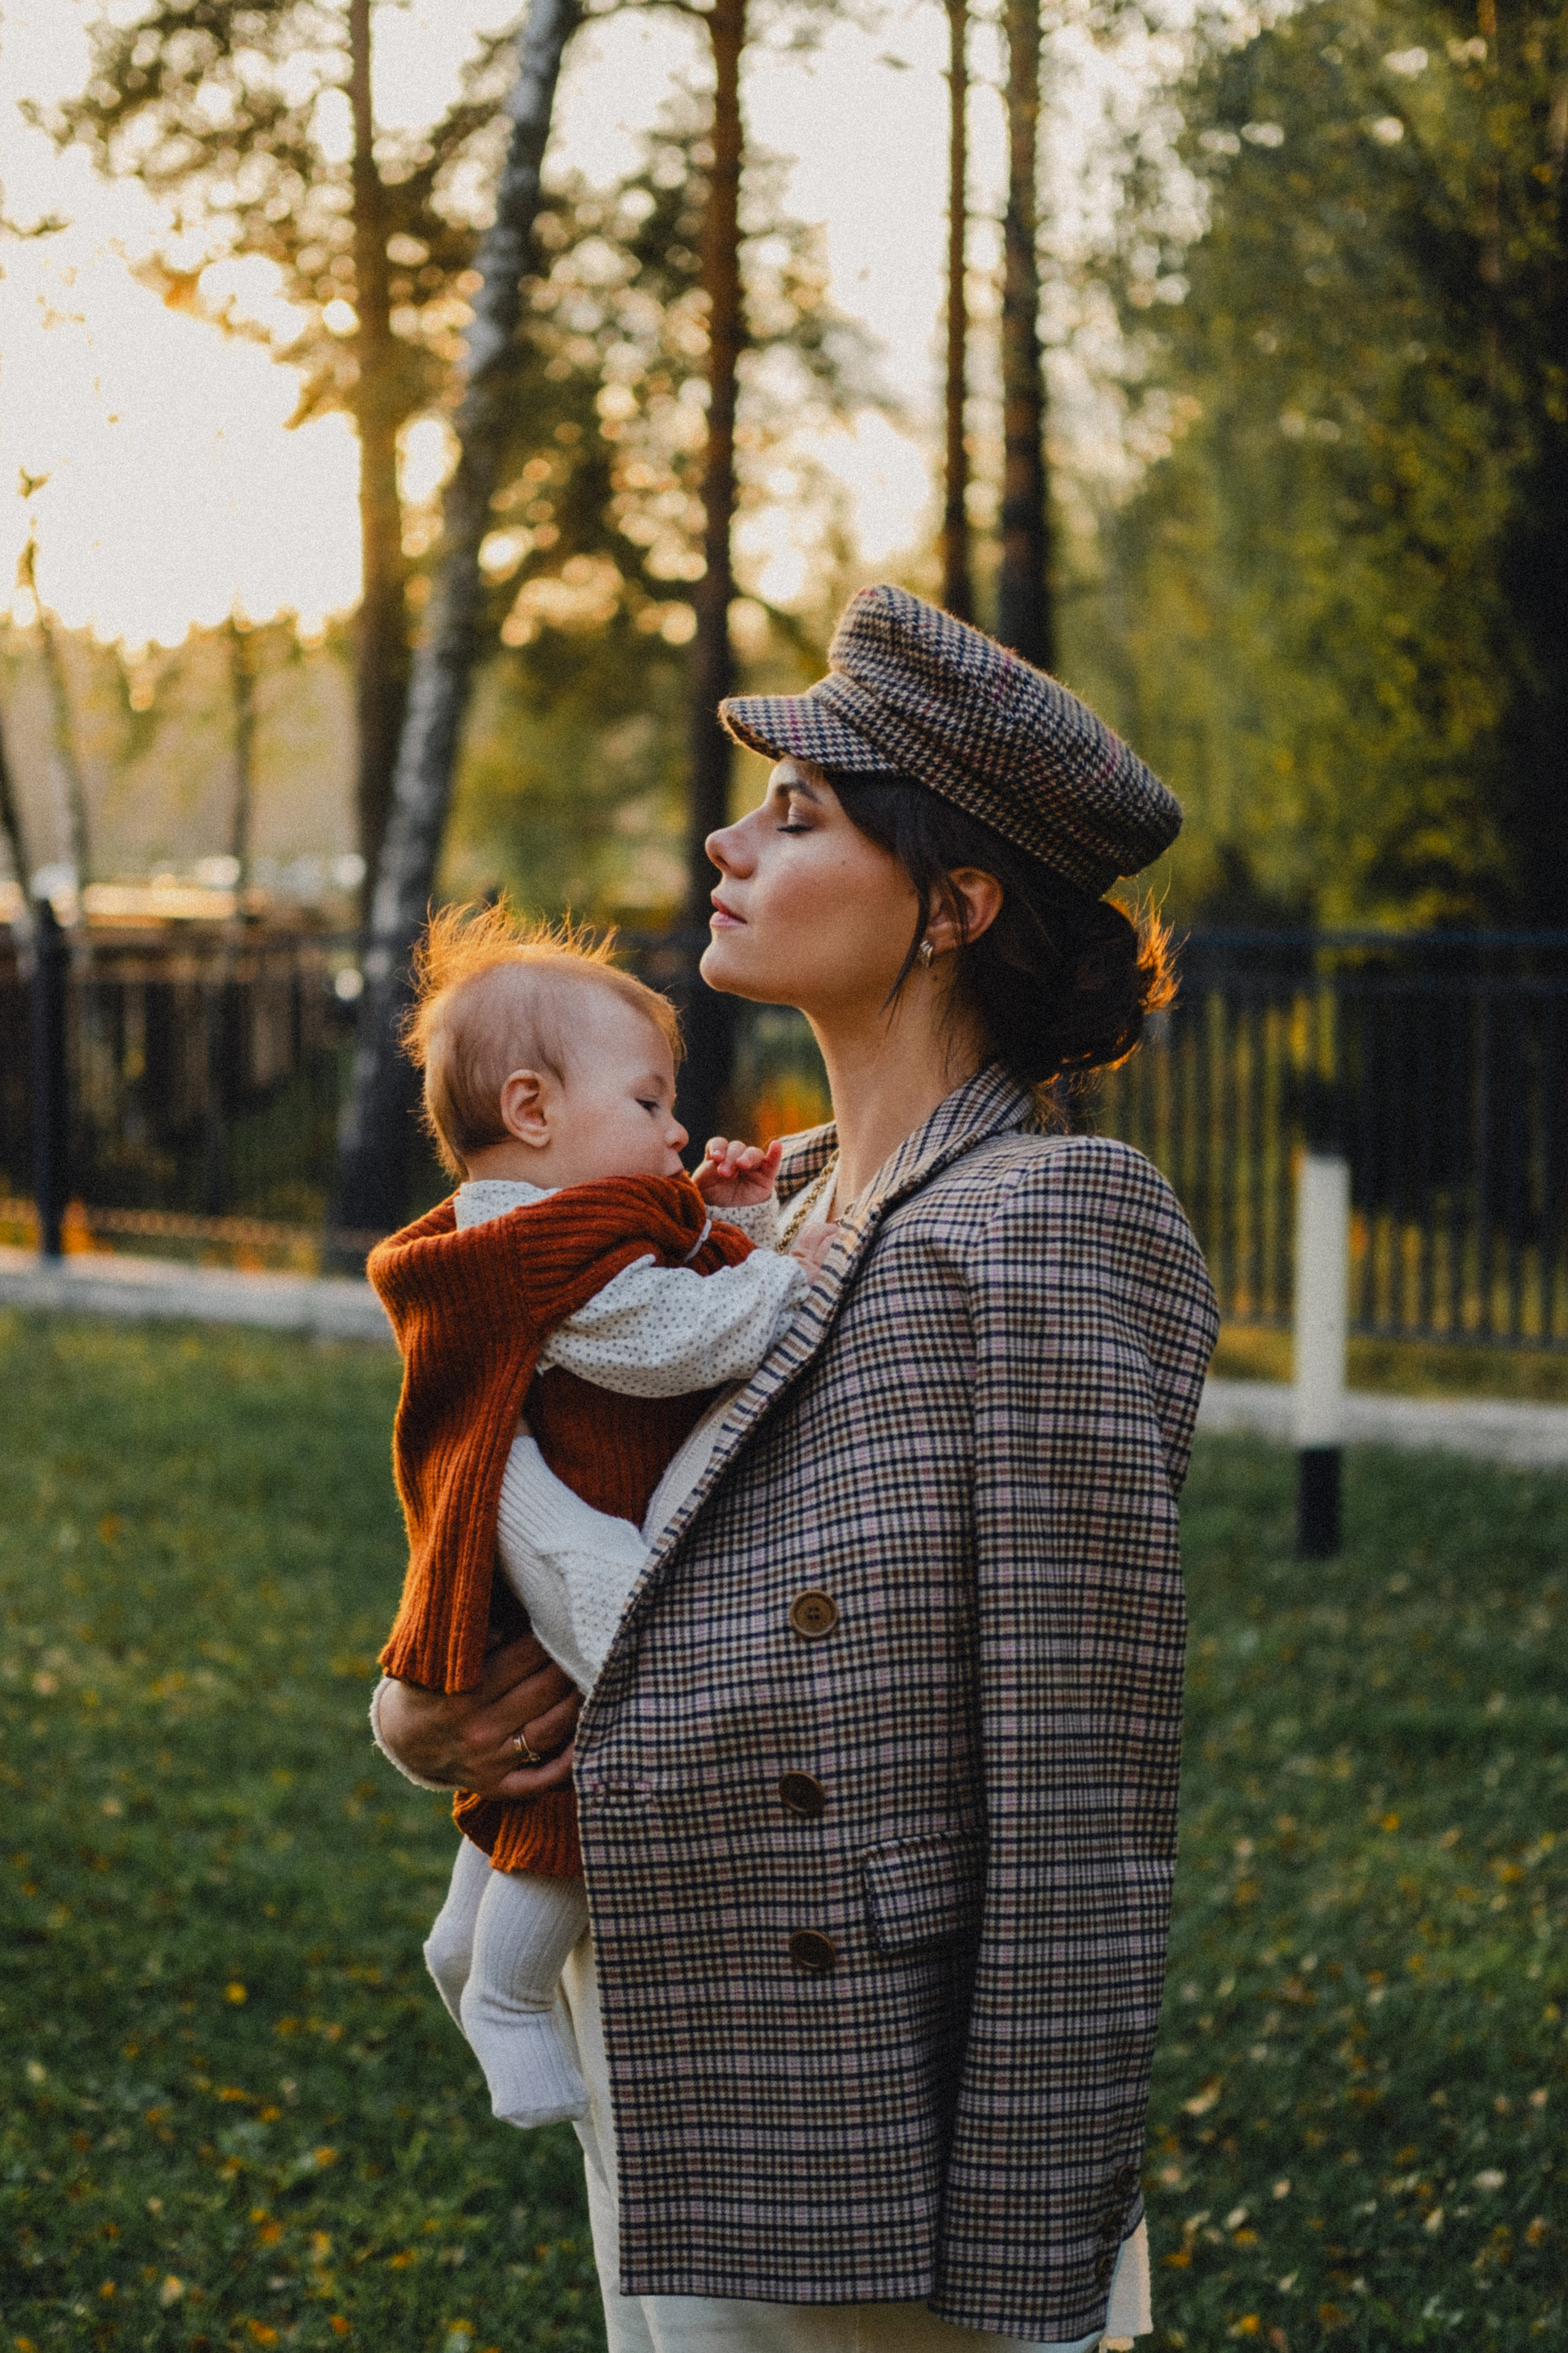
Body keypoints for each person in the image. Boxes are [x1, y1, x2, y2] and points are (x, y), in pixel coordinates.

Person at [374, 585, 1220, 2351]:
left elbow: (1080, 1806)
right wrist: (421, 1715)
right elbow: (593, 1527)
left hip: (892, 2175)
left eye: (798, 811)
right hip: (677, 2057)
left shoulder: (1050, 1215)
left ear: (954, 907)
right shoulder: (750, 1211)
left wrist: (1029, 2275)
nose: (724, 831)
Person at [366, 905, 815, 2135]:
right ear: (531, 1113)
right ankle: (506, 1993)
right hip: (583, 1571)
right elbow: (685, 1339)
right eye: (650, 1103)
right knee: (576, 1780)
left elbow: (673, 1308)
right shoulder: (541, 1250)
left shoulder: (532, 1236)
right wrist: (801, 1264)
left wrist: (737, 1229)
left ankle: (465, 1951)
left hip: (536, 1558)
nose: (676, 1132)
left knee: (517, 1793)